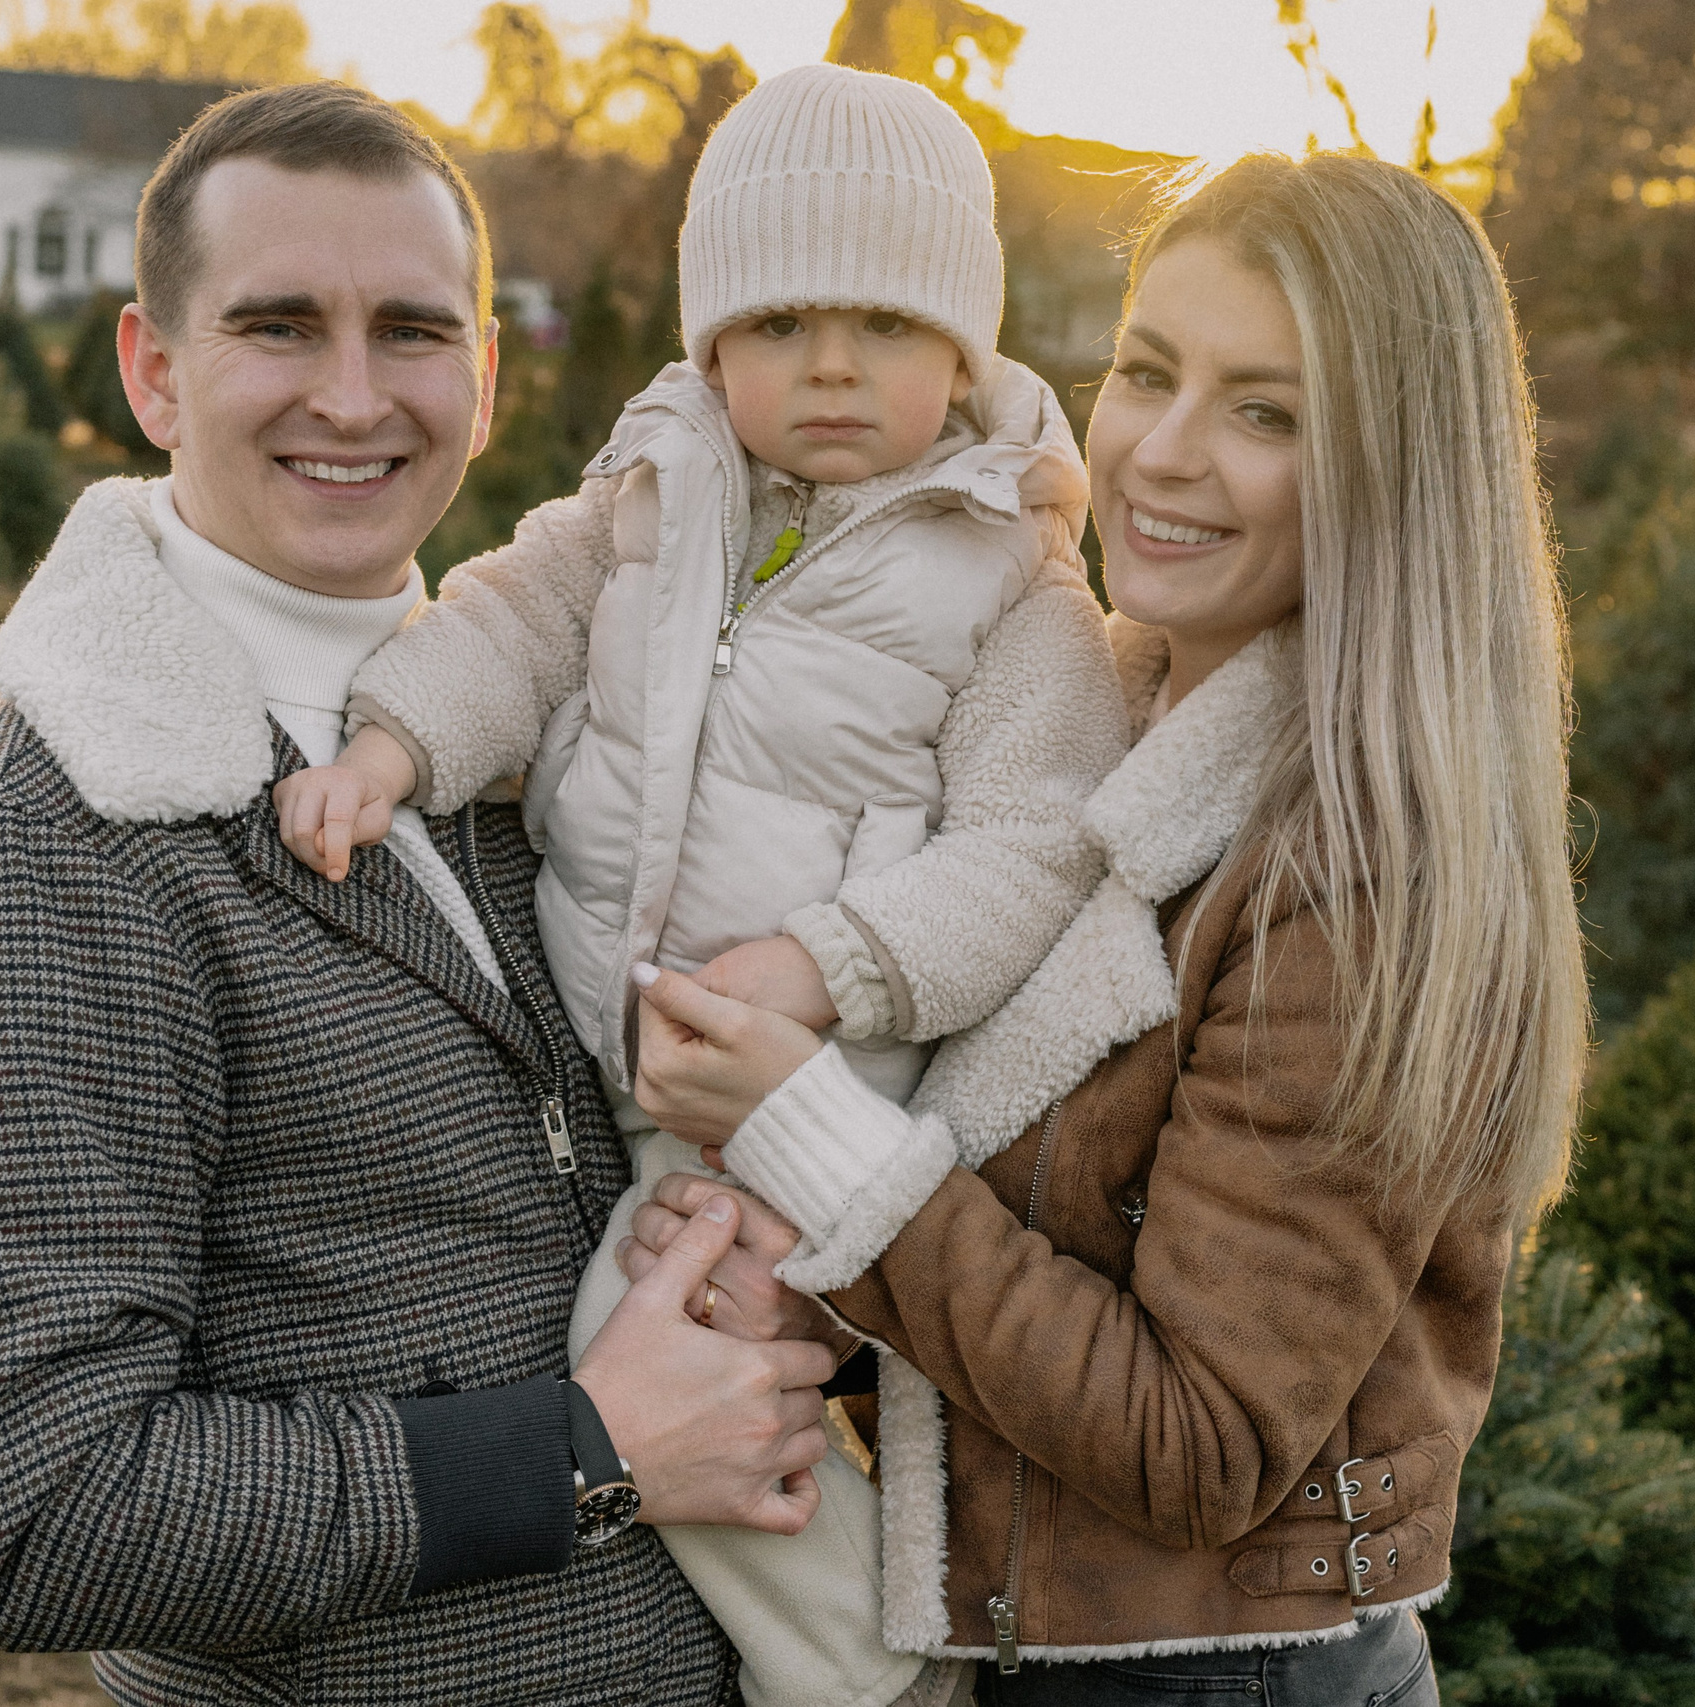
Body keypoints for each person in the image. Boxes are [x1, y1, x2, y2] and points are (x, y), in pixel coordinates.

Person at [0, 82, 843, 1706]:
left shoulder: (561, 741)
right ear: (152, 372)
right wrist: (585, 1452)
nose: (358, 397)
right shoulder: (30, 855)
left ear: (488, 375)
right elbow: (27, 1509)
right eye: (281, 327)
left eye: (415, 332)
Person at [615, 152, 1590, 1706]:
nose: (1163, 453)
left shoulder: (1354, 876)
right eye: (1149, 371)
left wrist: (808, 1137)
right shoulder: (1084, 729)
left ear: (1391, 472)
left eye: (1267, 413)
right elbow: (1036, 1232)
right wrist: (800, 1280)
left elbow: (1202, 1446)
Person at [273, 63, 1127, 1707]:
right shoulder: (649, 498)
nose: (828, 364)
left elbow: (1035, 851)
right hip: (652, 1084)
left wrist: (825, 972)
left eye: (882, 324)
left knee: (653, 1346)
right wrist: (388, 751)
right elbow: (507, 625)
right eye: (779, 321)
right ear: (709, 341)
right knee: (665, 1346)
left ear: (964, 346)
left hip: (832, 1096)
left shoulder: (1014, 579)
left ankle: (878, 1679)